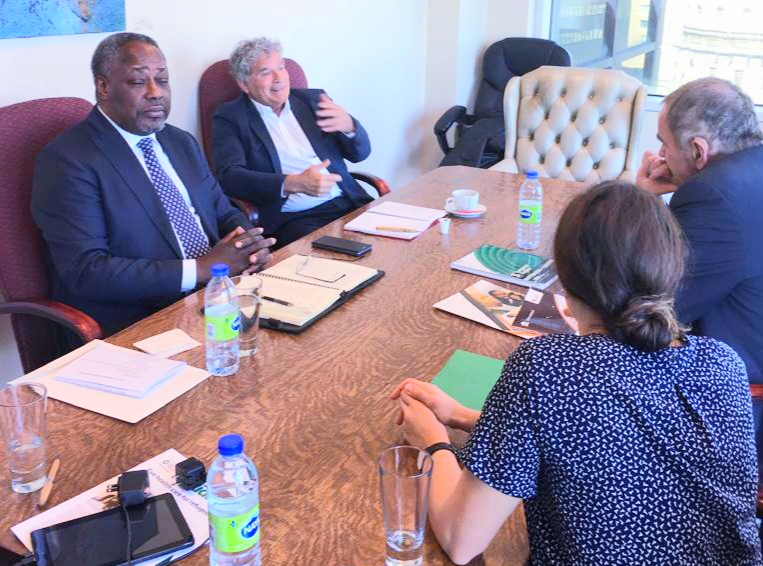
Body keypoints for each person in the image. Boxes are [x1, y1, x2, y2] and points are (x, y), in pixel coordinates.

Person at [391, 181, 760, 565]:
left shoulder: (545, 367)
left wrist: (433, 442)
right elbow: (607, 442)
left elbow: (462, 540)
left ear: (564, 280)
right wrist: (465, 418)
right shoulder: (724, 363)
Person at [32, 33, 275, 335]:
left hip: (215, 297)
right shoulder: (68, 160)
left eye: (162, 80)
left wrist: (248, 245)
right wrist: (200, 269)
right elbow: (86, 270)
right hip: (138, 319)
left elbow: (222, 211)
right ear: (103, 87)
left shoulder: (180, 142)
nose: (155, 93)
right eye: (138, 81)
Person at [636, 77, 763, 385]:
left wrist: (640, 200)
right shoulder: (750, 168)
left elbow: (652, 307)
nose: (661, 154)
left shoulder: (713, 194)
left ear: (697, 150)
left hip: (729, 392)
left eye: (665, 144)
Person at [212, 37, 373, 247]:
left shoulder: (313, 101)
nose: (279, 78)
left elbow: (360, 155)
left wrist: (350, 127)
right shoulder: (230, 117)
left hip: (349, 202)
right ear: (244, 84)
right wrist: (292, 183)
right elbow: (229, 177)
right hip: (298, 219)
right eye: (266, 72)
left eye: (281, 67)